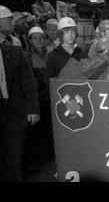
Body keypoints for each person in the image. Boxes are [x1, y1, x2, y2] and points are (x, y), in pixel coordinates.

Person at [0, 5, 40, 181]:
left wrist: (33, 108)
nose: (11, 21)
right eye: (8, 19)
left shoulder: (15, 47)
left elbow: (28, 81)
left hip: (14, 113)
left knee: (15, 157)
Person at [23, 26, 53, 171]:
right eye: (35, 38)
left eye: (41, 37)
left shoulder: (51, 54)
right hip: (37, 99)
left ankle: (49, 156)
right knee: (36, 132)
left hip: (51, 98)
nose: (39, 40)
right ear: (30, 40)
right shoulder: (26, 57)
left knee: (50, 129)